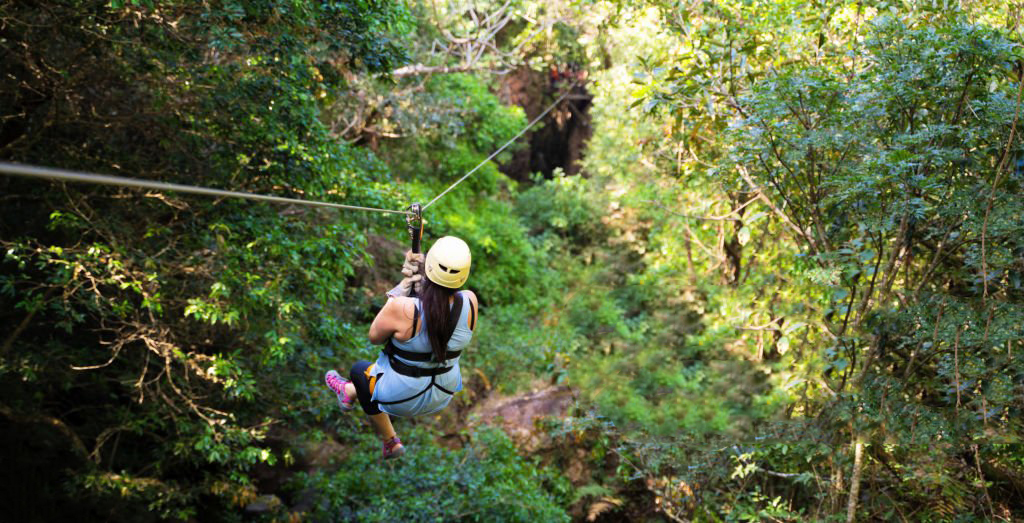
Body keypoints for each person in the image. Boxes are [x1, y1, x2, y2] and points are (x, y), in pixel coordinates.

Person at [324, 236, 478, 459]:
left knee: (359, 371)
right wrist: (422, 275)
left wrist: (401, 289)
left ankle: (390, 440)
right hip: (443, 393)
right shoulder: (470, 302)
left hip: (401, 397)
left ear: (430, 266)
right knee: (363, 379)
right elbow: (439, 306)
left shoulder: (402, 308)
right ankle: (350, 391)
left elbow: (374, 336)